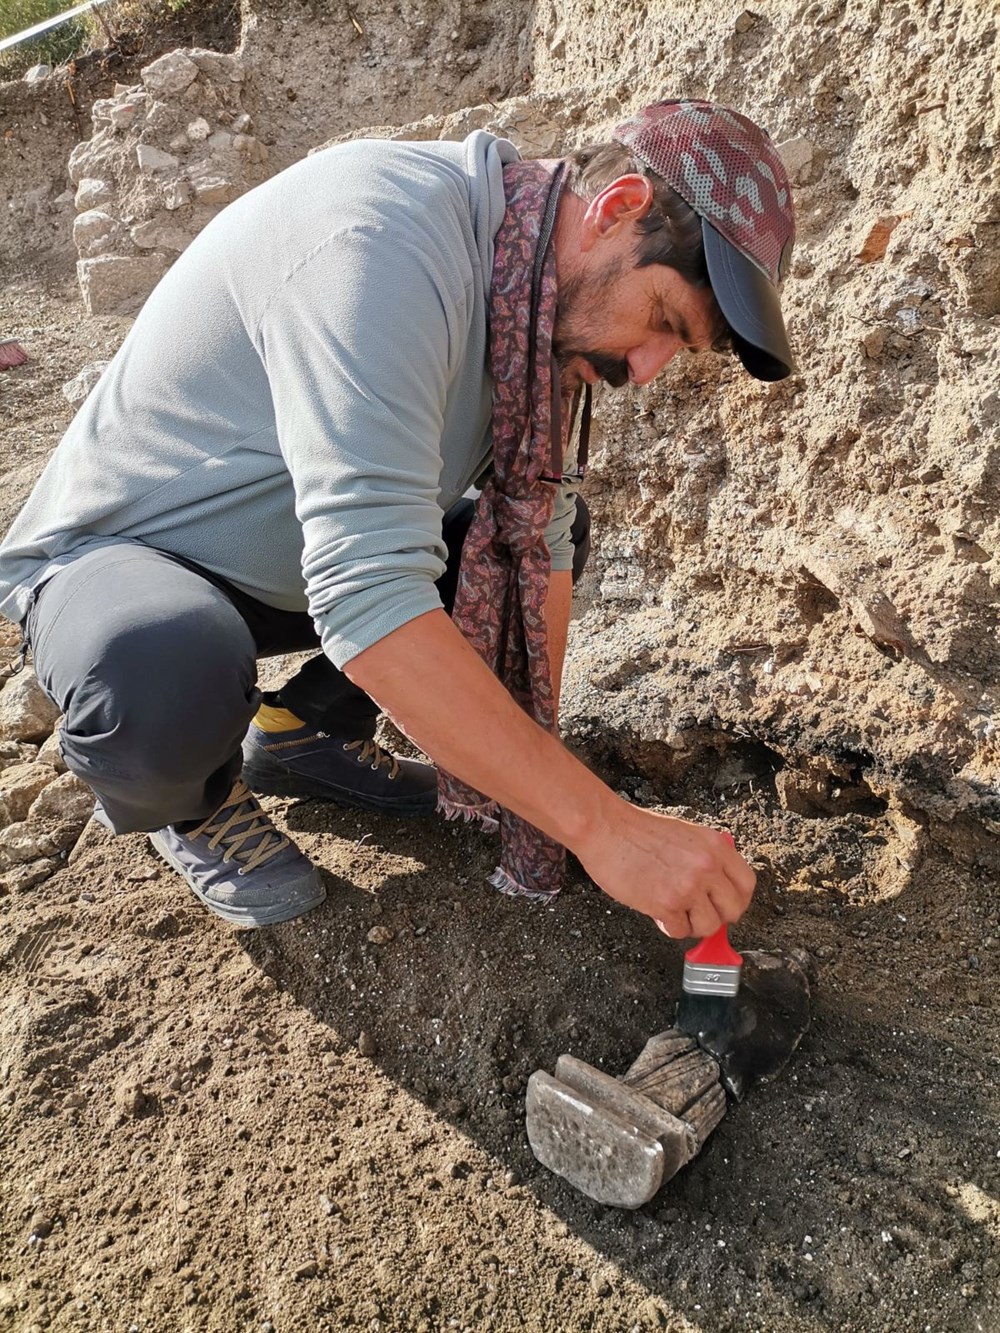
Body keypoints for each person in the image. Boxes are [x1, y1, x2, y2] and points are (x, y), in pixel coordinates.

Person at [0, 98, 796, 934]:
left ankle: (301, 731)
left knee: (517, 537)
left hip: (290, 560)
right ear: (617, 208)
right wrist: (602, 826)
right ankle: (193, 805)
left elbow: (544, 553)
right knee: (159, 666)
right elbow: (369, 591)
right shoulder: (378, 245)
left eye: (679, 348)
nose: (646, 367)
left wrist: (541, 784)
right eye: (663, 321)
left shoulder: (535, 319)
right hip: (131, 562)